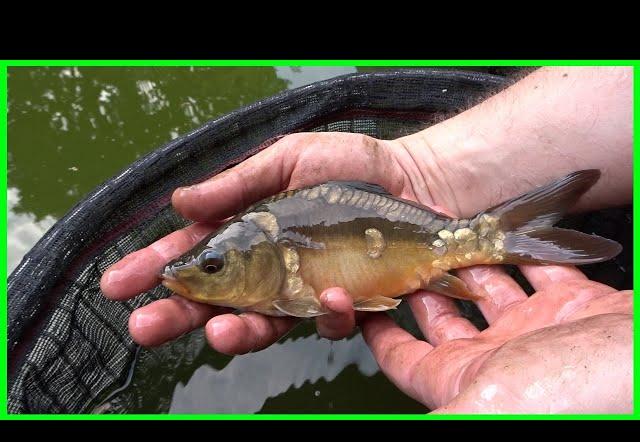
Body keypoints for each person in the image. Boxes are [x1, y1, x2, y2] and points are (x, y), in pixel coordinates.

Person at [100, 67, 633, 413]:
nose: (195, 275)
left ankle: (497, 237)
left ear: (268, 257)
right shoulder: (266, 244)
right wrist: (418, 167)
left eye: (212, 265)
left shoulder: (279, 258)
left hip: (417, 239)